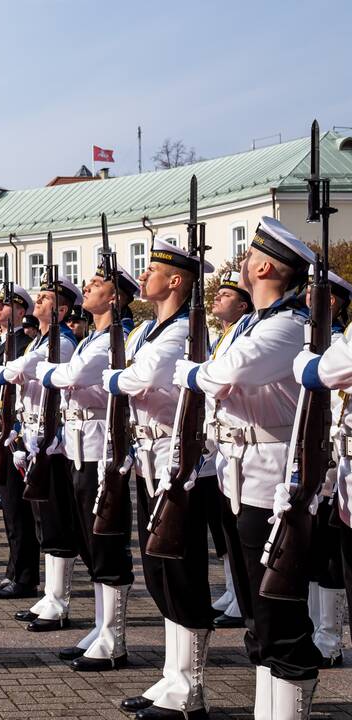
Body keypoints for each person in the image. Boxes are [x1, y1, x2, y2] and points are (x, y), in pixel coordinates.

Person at [173, 218, 322, 718]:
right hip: (240, 471)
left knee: (279, 608)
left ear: (262, 266)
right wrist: (210, 378)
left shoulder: (286, 325)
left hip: (272, 476)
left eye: (247, 255)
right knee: (259, 609)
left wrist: (199, 375)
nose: (239, 263)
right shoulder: (250, 323)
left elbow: (228, 373)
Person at [102, 238, 215, 718]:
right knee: (160, 572)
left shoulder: (181, 334)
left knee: (183, 574)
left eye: (151, 269)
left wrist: (115, 379)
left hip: (180, 462)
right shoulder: (153, 329)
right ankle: (172, 677)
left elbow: (138, 379)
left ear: (176, 281)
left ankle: (190, 690)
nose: (141, 276)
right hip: (152, 458)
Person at [39, 264, 138, 671]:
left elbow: (75, 376)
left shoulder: (116, 338)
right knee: (90, 541)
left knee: (107, 543)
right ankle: (101, 627)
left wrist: (49, 373)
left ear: (114, 298)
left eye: (96, 284)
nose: (86, 287)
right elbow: (71, 378)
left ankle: (114, 637)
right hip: (79, 445)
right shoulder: (92, 337)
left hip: (101, 448)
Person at [0, 275, 80, 633]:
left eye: (45, 298)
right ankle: (50, 595)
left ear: (60, 310)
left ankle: (59, 601)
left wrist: (16, 370)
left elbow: (19, 371)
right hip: (33, 437)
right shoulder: (45, 341)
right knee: (41, 519)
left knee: (55, 520)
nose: (39, 300)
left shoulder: (61, 342)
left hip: (53, 442)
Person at [295, 271, 352, 673]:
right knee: (319, 554)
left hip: (337, 463)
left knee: (331, 556)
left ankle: (329, 636)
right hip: (334, 462)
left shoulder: (335, 341)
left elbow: (320, 375)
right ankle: (321, 632)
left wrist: (304, 360)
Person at [0, 283, 41, 599]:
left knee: (18, 507)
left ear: (21, 310)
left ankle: (25, 577)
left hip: (14, 430)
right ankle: (14, 572)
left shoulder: (24, 344)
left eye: (4, 304)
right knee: (8, 505)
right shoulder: (2, 342)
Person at [206, 271, 253, 630]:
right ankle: (235, 590)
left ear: (243, 303)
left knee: (237, 523)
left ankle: (243, 596)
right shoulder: (224, 335)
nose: (217, 299)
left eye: (226, 295)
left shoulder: (246, 330)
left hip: (240, 440)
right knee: (225, 524)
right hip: (221, 441)